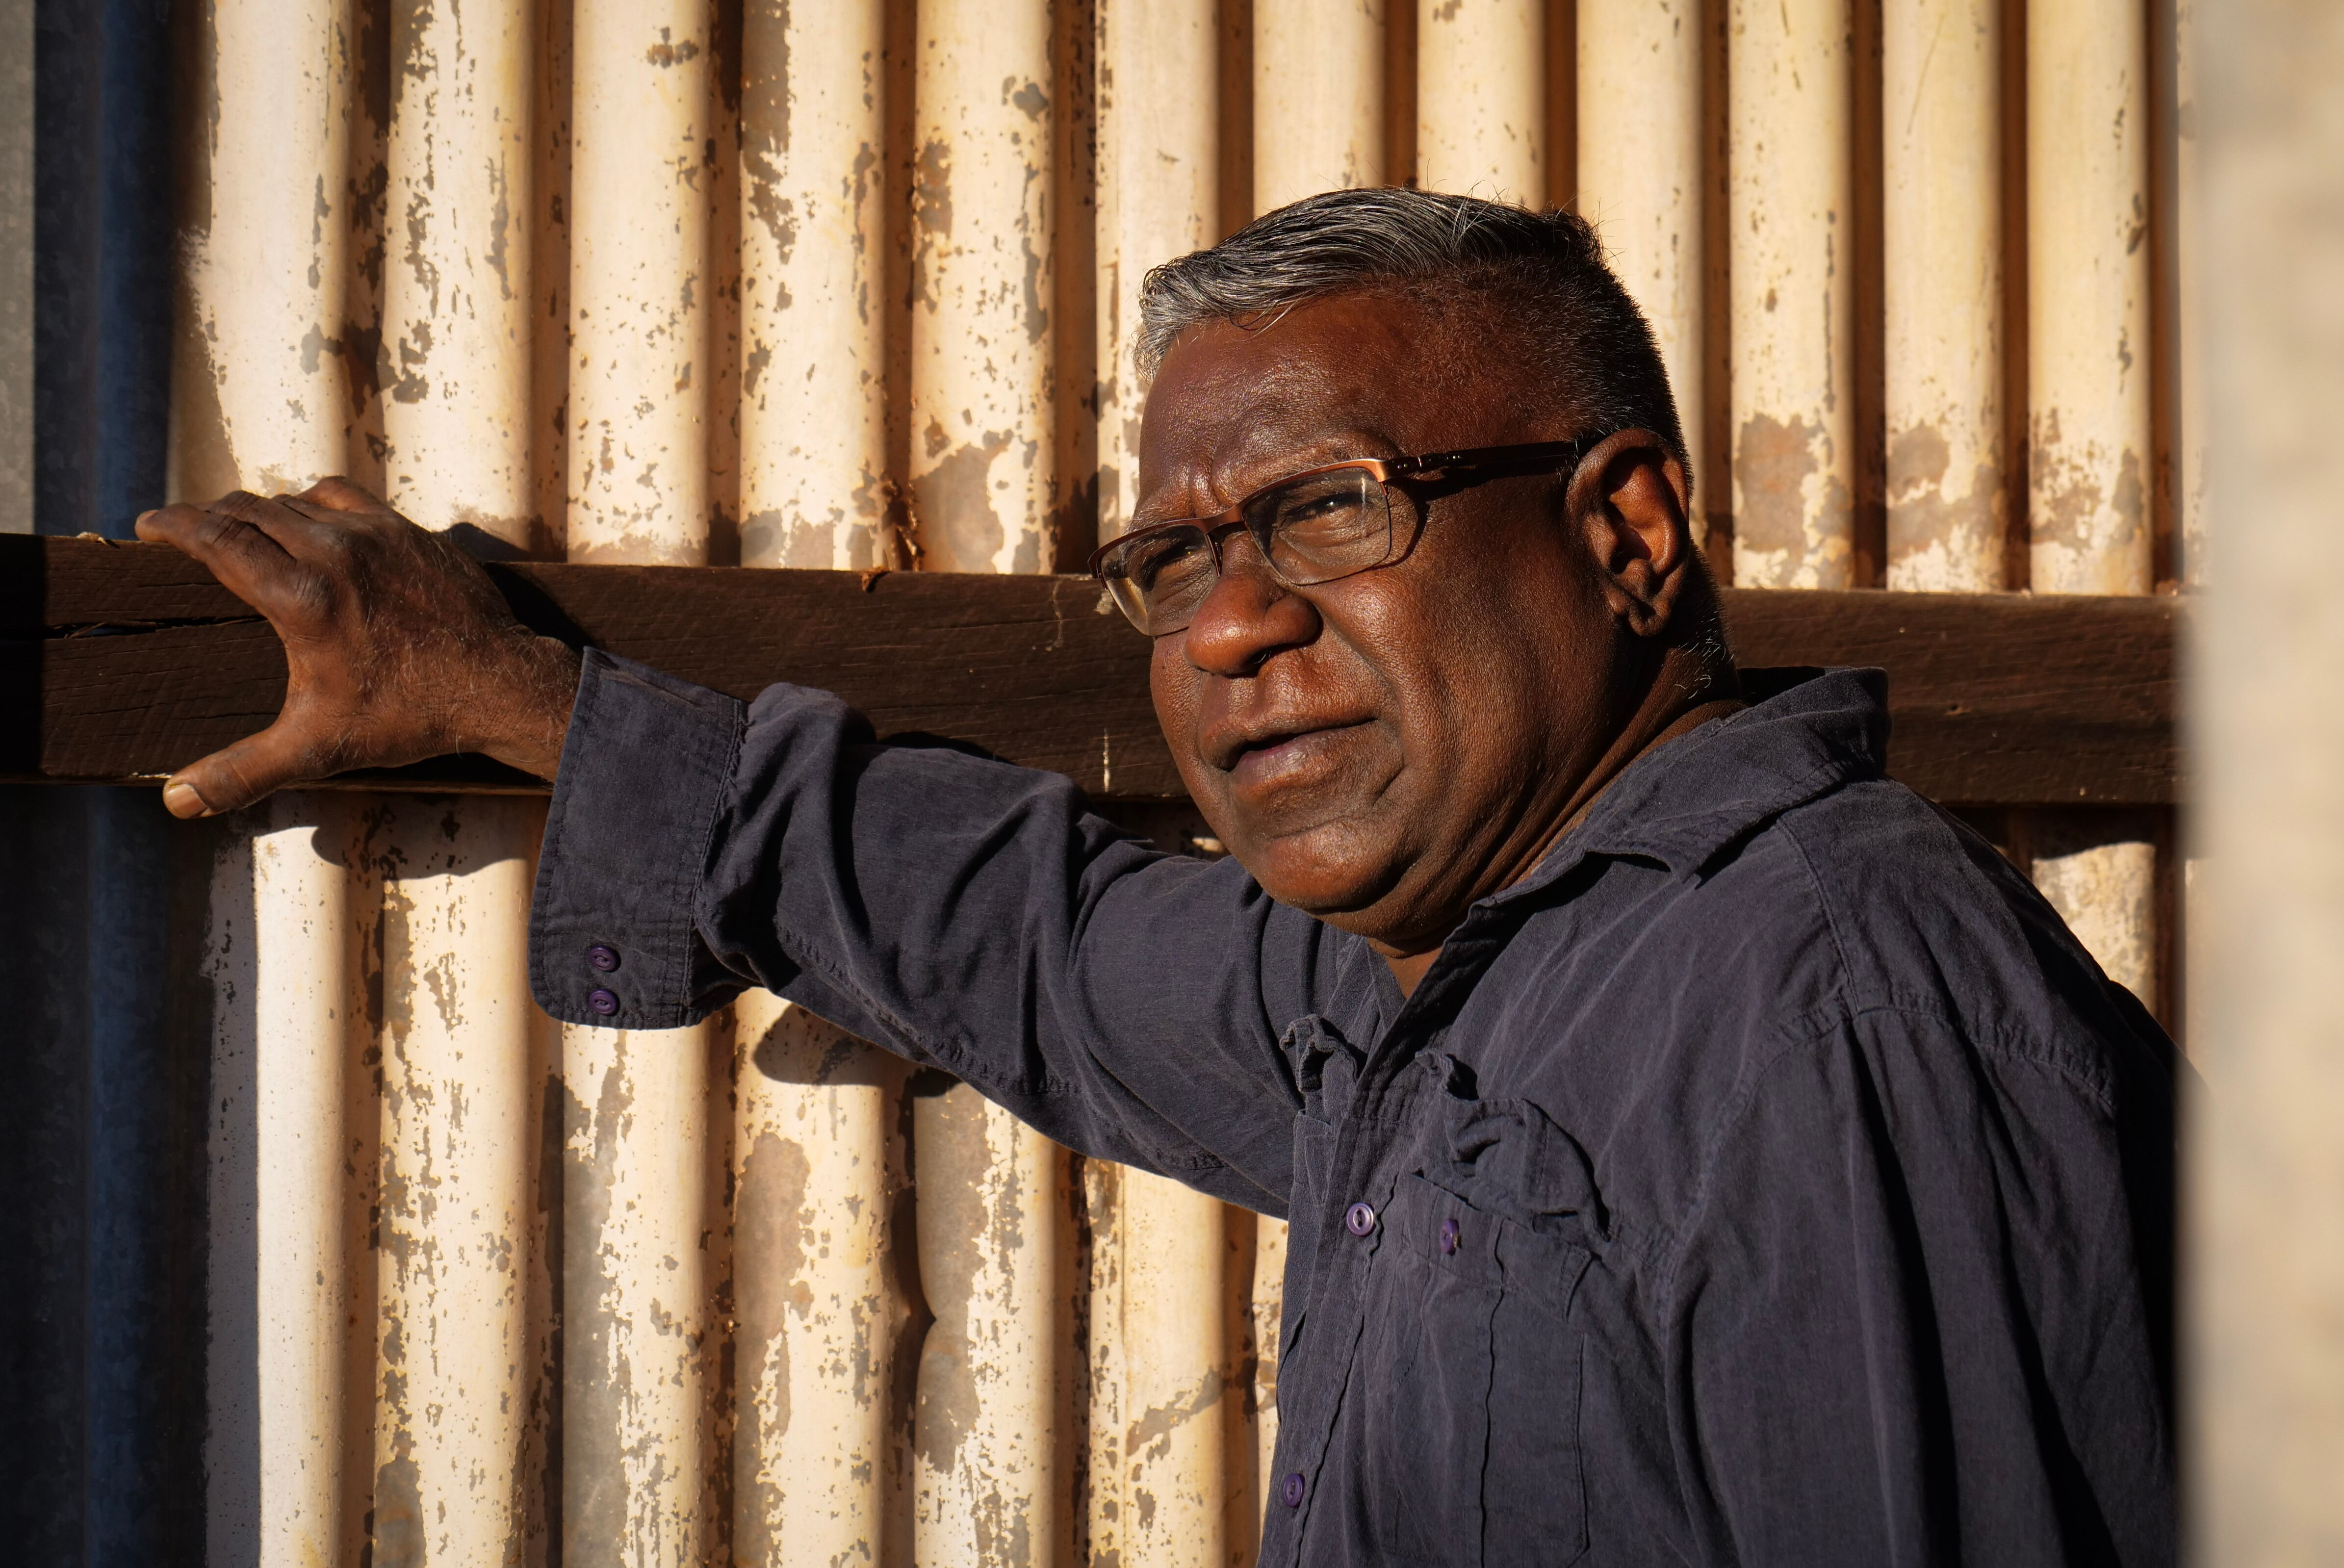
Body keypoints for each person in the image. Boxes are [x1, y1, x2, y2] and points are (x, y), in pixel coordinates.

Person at [137, 189, 2176, 1566]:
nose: (1220, 631)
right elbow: (1052, 942)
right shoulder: (1435, 977)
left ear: (1626, 535)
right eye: (1173, 559)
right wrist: (517, 695)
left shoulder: (1828, 1001)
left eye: (1321, 511)